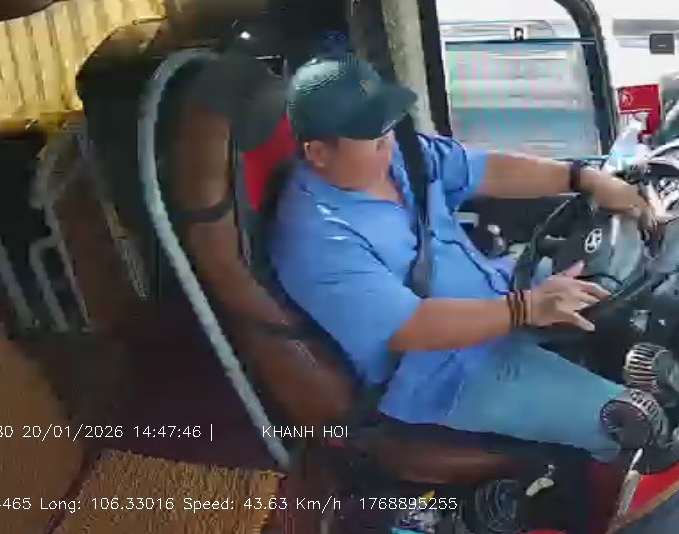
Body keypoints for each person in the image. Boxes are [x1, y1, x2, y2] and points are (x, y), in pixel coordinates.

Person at [271, 54, 655, 460]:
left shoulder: (401, 155)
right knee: (630, 420)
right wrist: (526, 308)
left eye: (387, 128)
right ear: (318, 152)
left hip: (504, 289)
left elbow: (488, 170)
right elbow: (409, 328)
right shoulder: (315, 237)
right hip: (450, 371)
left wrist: (584, 178)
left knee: (638, 292)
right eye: (373, 138)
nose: (389, 143)